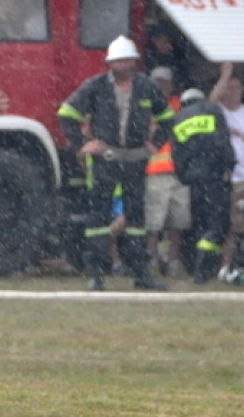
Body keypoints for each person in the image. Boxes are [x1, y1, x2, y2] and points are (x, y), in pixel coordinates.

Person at [58, 35, 176, 290]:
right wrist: (81, 145)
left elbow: (167, 116)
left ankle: (140, 274)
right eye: (118, 61)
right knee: (98, 219)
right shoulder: (96, 86)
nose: (123, 66)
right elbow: (67, 114)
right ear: (110, 64)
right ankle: (96, 275)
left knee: (136, 220)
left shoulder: (146, 87)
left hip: (135, 160)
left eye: (127, 61)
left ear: (134, 62)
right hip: (105, 160)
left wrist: (155, 143)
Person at [169, 88, 236, 283]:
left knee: (197, 223)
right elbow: (222, 140)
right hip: (215, 176)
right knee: (217, 223)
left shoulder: (179, 118)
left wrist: (183, 176)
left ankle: (193, 266)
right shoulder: (212, 111)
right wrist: (228, 166)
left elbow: (177, 153)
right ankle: (205, 269)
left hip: (193, 180)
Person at [208, 62, 244, 277]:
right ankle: (213, 264)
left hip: (242, 177)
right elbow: (210, 102)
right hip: (220, 176)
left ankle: (228, 265)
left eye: (237, 88)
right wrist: (225, 75)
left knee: (237, 226)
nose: (233, 93)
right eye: (229, 89)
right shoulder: (218, 111)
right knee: (219, 223)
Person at [144, 67, 188, 278]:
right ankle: (152, 259)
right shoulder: (145, 106)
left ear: (171, 86)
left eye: (164, 83)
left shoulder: (179, 107)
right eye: (157, 82)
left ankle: (173, 260)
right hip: (154, 172)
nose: (160, 86)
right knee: (154, 222)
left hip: (179, 172)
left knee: (178, 221)